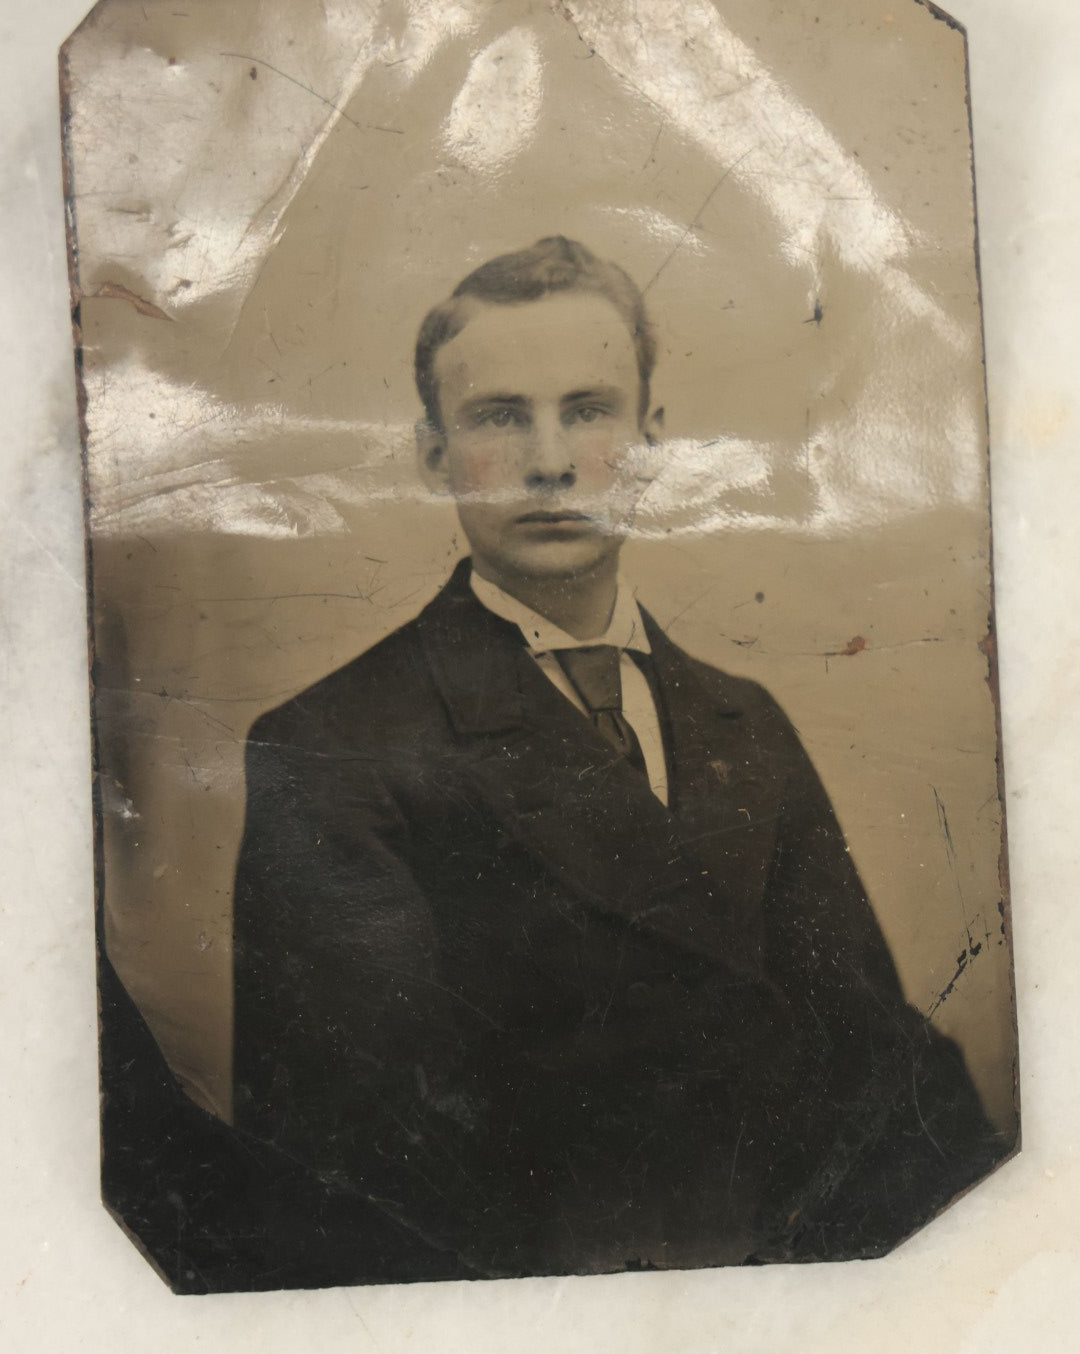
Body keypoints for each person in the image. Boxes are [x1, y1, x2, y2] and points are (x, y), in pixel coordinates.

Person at [231, 237, 1005, 1282]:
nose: (551, 460)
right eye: (500, 417)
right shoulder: (333, 746)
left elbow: (880, 1067)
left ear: (651, 441)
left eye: (589, 411)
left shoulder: (744, 724)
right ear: (432, 454)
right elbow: (359, 1166)